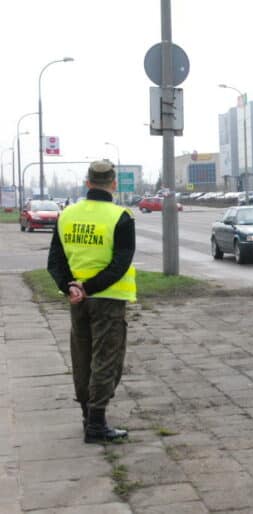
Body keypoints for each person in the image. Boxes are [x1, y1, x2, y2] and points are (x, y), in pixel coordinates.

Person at [47, 160, 136, 443]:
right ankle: (97, 423)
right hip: (107, 299)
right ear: (113, 184)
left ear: (87, 183)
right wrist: (90, 287)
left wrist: (71, 287)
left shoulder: (66, 215)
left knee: (82, 356)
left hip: (76, 300)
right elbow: (120, 263)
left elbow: (55, 261)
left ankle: (88, 415)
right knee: (107, 360)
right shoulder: (121, 216)